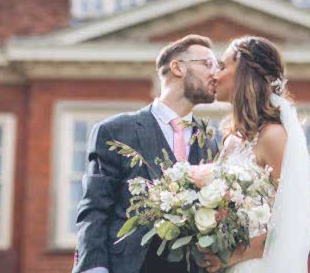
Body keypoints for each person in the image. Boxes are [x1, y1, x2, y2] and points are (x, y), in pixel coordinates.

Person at [73, 34, 220, 273]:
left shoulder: (212, 141)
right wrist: (93, 269)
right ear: (177, 67)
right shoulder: (115, 131)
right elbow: (95, 209)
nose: (216, 74)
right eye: (208, 64)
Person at [200, 36, 310, 273]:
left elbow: (304, 222)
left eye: (222, 66)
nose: (215, 75)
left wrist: (237, 254)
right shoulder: (231, 140)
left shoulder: (273, 137)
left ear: (243, 71)